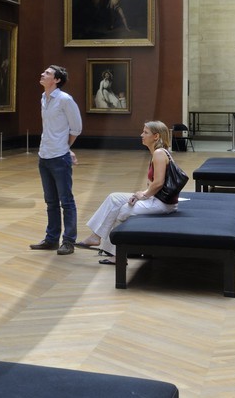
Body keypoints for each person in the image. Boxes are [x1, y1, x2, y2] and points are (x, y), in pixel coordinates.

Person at [79, 121, 180, 265]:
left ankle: (116, 255)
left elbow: (158, 183)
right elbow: (153, 185)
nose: (141, 135)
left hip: (163, 204)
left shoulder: (159, 153)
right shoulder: (157, 153)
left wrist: (143, 195)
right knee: (114, 198)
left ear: (156, 136)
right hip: (155, 198)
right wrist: (140, 194)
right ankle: (96, 236)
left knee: (123, 210)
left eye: (145, 132)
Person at [30, 64, 82, 254]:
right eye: (44, 72)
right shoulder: (44, 97)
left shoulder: (65, 100)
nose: (42, 74)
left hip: (59, 157)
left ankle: (68, 241)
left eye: (48, 73)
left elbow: (76, 128)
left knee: (66, 201)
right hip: (44, 155)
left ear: (57, 80)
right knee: (50, 201)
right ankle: (51, 239)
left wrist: (65, 148)